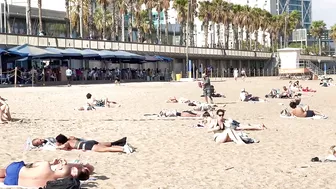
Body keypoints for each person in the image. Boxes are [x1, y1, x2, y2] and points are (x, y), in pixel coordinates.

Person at [0, 158, 91, 187]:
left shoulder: (45, 165)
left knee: (6, 172)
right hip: (14, 183)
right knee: (5, 178)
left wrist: (52, 162)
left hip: (16, 170)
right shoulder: (56, 184)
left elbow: (31, 165)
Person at [54, 134, 134, 153]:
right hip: (89, 142)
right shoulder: (71, 139)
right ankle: (121, 143)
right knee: (106, 144)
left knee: (106, 149)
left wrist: (57, 147)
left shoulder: (67, 143)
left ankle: (124, 149)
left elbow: (63, 147)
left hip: (86, 145)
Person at [31, 135, 127, 148]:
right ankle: (118, 143)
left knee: (100, 146)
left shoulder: (48, 138)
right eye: (38, 142)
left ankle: (118, 145)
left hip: (71, 141)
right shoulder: (45, 145)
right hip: (67, 141)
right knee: (99, 144)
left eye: (38, 140)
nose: (40, 141)